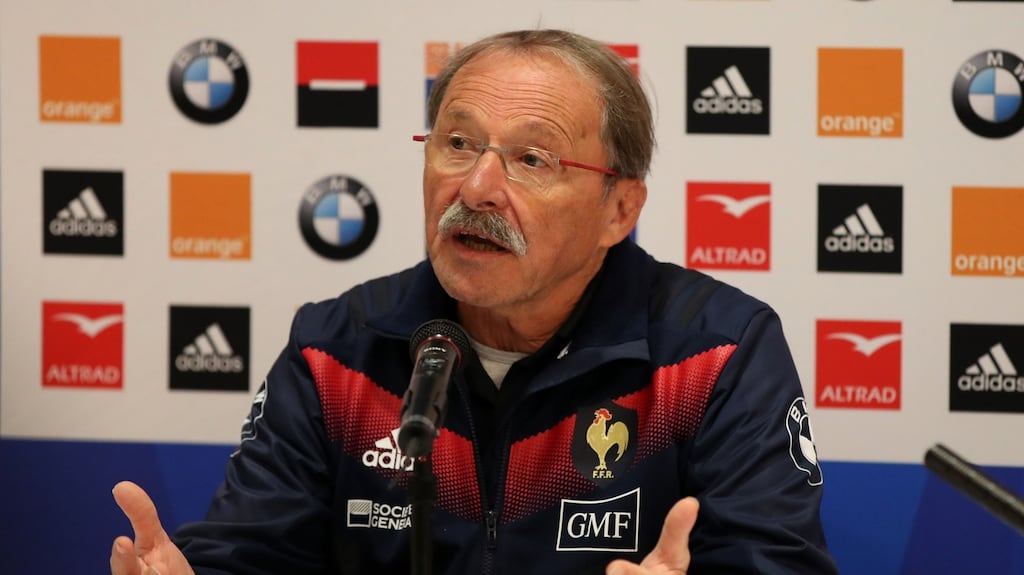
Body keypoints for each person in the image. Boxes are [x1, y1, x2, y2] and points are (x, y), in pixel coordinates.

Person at [110, 29, 839, 575]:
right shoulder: (337, 350)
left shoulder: (715, 354)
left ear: (620, 208)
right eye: (457, 142)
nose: (477, 187)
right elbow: (251, 551)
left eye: (531, 158)